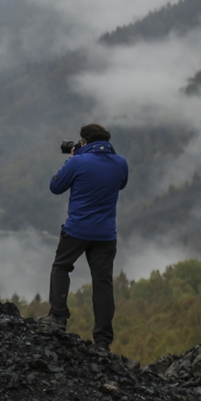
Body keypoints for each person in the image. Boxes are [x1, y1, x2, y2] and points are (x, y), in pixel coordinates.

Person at [42, 123, 128, 350]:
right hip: (106, 234)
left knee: (61, 267)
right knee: (103, 283)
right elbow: (122, 184)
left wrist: (72, 159)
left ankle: (58, 317)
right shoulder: (121, 163)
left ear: (84, 142)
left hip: (77, 229)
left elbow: (55, 187)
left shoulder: (78, 161)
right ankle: (103, 340)